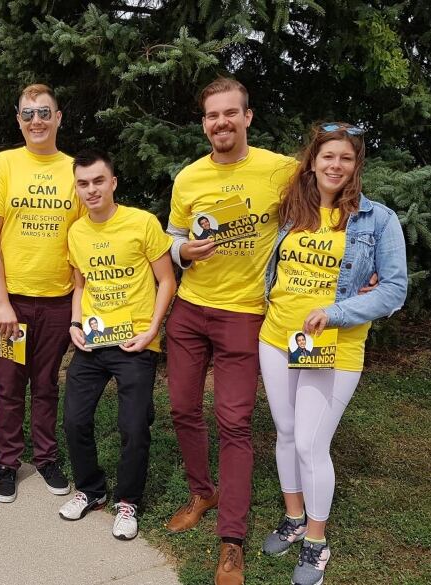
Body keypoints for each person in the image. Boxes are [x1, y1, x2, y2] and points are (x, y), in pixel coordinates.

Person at [258, 122, 406, 585]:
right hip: (277, 336)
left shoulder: (377, 220)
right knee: (284, 432)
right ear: (313, 161)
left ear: (356, 164)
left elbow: (395, 289)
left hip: (335, 346)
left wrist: (339, 310)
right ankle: (295, 517)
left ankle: (317, 542)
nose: (335, 165)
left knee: (310, 442)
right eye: (327, 156)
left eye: (345, 158)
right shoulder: (291, 209)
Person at [164, 77, 298, 585]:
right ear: (204, 124)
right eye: (211, 115)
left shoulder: (281, 170)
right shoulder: (188, 178)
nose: (220, 122)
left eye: (229, 113)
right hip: (190, 309)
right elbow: (174, 235)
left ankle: (231, 541)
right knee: (180, 407)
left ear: (247, 117)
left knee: (235, 422)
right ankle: (203, 491)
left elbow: (323, 213)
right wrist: (182, 252)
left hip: (245, 313)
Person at [59, 149, 176, 540]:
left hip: (135, 344)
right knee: (74, 420)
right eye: (83, 183)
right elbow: (80, 285)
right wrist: (75, 323)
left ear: (112, 183)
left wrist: (152, 331)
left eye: (97, 181)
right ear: (76, 188)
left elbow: (167, 281)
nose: (90, 189)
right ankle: (90, 490)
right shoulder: (76, 232)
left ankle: (128, 501)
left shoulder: (141, 223)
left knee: (133, 426)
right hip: (92, 343)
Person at [0, 83, 82, 503]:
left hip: (56, 301)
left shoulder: (75, 170)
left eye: (43, 112)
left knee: (45, 382)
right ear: (18, 121)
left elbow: (85, 240)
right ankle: (6, 460)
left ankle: (46, 456)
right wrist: (0, 302)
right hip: (12, 302)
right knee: (10, 382)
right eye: (27, 114)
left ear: (58, 118)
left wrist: (77, 304)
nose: (36, 120)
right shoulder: (3, 165)